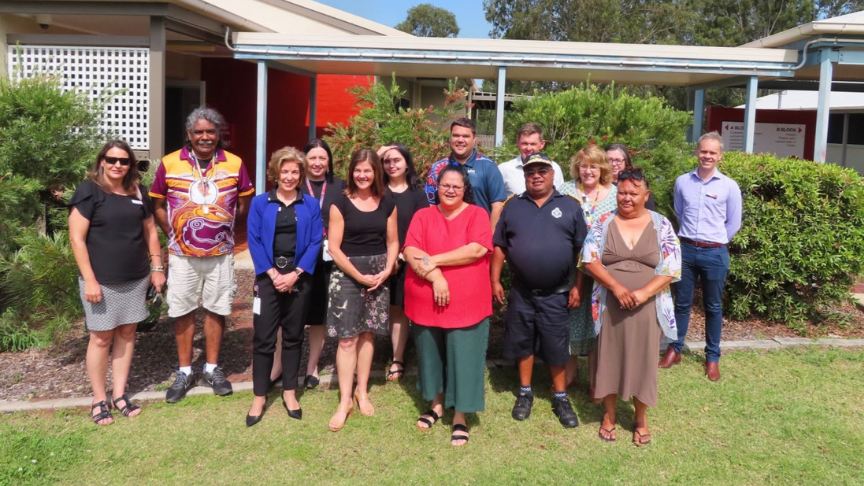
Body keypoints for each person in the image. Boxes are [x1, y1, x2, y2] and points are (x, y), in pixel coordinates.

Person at [149, 107, 254, 403]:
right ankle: (184, 371)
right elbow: (156, 202)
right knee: (182, 310)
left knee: (217, 308)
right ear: (189, 135)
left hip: (220, 253)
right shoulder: (170, 163)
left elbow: (245, 198)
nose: (205, 137)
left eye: (210, 131)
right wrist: (174, 230)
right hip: (182, 255)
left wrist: (228, 226)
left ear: (218, 133)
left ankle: (210, 368)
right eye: (199, 132)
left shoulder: (234, 163)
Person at [581, 167, 681, 445]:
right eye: (622, 192)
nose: (626, 198)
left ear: (646, 195)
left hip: (647, 307)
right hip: (610, 305)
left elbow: (672, 267)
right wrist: (616, 287)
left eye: (634, 193)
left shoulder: (661, 224)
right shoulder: (603, 220)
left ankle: (640, 418)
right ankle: (609, 415)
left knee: (643, 360)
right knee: (609, 358)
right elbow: (589, 259)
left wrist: (644, 293)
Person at [69, 140, 166, 424]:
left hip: (136, 278)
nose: (117, 165)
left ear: (130, 166)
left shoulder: (137, 192)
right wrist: (89, 279)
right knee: (100, 338)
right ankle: (99, 399)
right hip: (101, 280)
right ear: (101, 161)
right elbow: (77, 239)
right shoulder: (89, 192)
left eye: (124, 161)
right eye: (111, 160)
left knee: (127, 334)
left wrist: (157, 267)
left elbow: (150, 232)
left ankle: (119, 394)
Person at [491, 153, 587, 428]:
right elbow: (500, 245)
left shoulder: (570, 206)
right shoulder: (513, 205)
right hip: (521, 292)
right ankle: (524, 393)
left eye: (541, 170)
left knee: (556, 345)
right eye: (530, 171)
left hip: (557, 292)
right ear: (525, 176)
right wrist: (495, 280)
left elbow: (581, 251)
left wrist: (578, 287)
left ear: (552, 173)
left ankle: (560, 396)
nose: (536, 175)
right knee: (523, 342)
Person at [404, 164, 493, 446]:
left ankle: (461, 416)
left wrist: (435, 260)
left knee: (465, 358)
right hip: (425, 300)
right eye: (445, 185)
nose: (451, 190)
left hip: (468, 304)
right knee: (430, 355)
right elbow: (410, 251)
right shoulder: (422, 215)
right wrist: (437, 276)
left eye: (456, 186)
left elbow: (477, 249)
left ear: (465, 188)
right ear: (436, 187)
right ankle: (437, 403)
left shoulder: (478, 214)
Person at [245, 147, 323, 426]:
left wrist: (295, 274)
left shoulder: (310, 205)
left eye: (294, 172)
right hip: (268, 279)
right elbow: (253, 239)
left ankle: (290, 393)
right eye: (284, 171)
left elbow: (316, 242)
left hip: (299, 278)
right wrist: (273, 274)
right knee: (264, 339)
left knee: (293, 338)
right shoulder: (260, 202)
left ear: (301, 175)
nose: (289, 177)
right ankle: (259, 396)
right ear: (275, 173)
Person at [326, 149, 399, 432]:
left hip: (379, 272)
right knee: (347, 339)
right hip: (347, 273)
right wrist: (358, 275)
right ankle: (344, 401)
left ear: (376, 172)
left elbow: (393, 241)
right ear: (351, 172)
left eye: (368, 170)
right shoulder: (340, 202)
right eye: (358, 170)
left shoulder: (387, 201)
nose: (363, 175)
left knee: (368, 333)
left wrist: (387, 269)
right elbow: (334, 247)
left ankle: (362, 391)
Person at [660, 132, 742, 381]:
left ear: (720, 156)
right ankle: (675, 349)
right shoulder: (682, 181)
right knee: (681, 304)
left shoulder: (729, 186)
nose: (707, 156)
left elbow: (733, 222)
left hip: (715, 252)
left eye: (712, 152)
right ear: (697, 152)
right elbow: (679, 212)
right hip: (686, 249)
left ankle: (712, 357)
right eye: (703, 151)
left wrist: (714, 241)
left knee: (713, 306)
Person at [270, 139, 345, 390]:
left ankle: (312, 366)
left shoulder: (339, 187)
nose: (317, 163)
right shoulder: (294, 184)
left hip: (327, 261)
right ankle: (278, 365)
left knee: (318, 315)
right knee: (287, 315)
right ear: (303, 161)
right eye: (312, 157)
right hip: (294, 261)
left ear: (329, 161)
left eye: (322, 158)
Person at [559, 145, 618, 397]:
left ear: (602, 168)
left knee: (599, 324)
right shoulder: (566, 191)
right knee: (571, 321)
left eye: (593, 166)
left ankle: (597, 382)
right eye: (583, 165)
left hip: (604, 271)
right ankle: (570, 375)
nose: (588, 171)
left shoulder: (615, 195)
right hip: (571, 269)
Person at [379, 142, 429, 382]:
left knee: (399, 310)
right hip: (376, 260)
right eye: (387, 161)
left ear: (407, 163)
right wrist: (377, 153)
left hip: (406, 261)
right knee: (380, 308)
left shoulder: (418, 194)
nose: (392, 165)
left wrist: (399, 257)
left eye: (397, 160)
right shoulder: (376, 190)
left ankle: (397, 358)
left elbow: (421, 230)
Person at [424, 117, 506, 231]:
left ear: (474, 138)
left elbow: (497, 206)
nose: (460, 140)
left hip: (477, 237)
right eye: (456, 135)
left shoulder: (488, 166)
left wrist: (490, 239)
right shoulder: (437, 168)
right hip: (443, 236)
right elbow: (430, 205)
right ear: (450, 138)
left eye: (466, 136)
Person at [498, 123, 565, 196]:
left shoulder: (554, 167)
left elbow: (560, 198)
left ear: (542, 144)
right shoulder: (504, 169)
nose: (528, 148)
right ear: (517, 142)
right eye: (525, 143)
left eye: (533, 144)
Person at [606, 143, 655, 211]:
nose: (613, 164)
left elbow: (650, 212)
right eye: (609, 160)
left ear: (626, 162)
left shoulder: (637, 183)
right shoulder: (598, 185)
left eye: (618, 160)